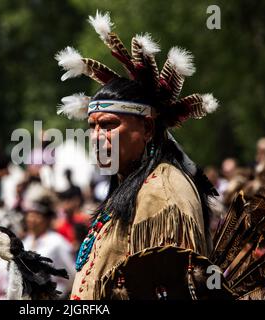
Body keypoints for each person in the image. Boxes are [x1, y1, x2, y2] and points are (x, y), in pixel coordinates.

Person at [55, 11, 219, 299]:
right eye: (92, 127)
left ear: (146, 128)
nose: (97, 138)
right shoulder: (130, 186)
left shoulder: (162, 198)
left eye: (108, 125)